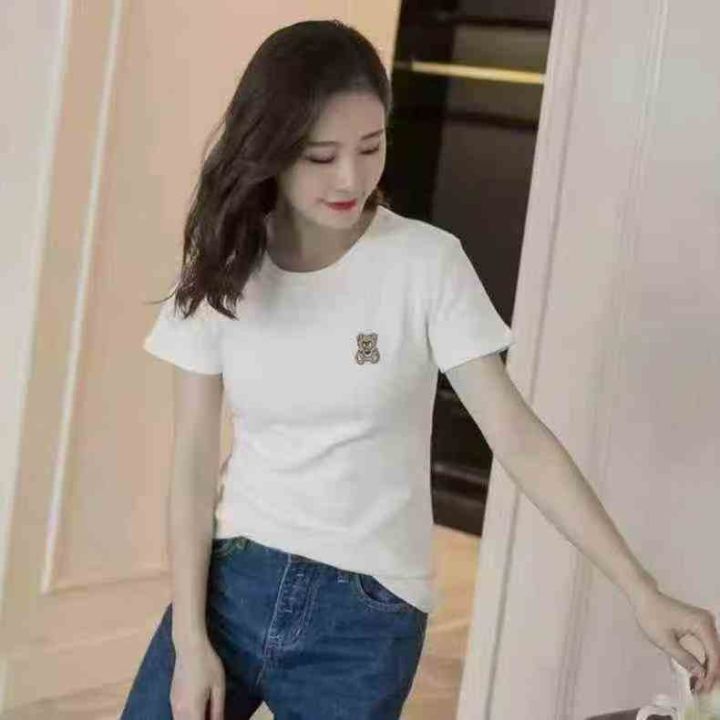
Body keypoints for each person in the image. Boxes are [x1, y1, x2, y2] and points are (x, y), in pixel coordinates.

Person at [120, 18, 720, 720]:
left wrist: (642, 590)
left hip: (364, 619)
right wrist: (190, 638)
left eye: (371, 147)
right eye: (321, 156)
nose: (351, 178)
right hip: (232, 583)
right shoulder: (226, 266)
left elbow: (520, 440)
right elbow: (193, 466)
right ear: (270, 150)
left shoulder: (425, 264)